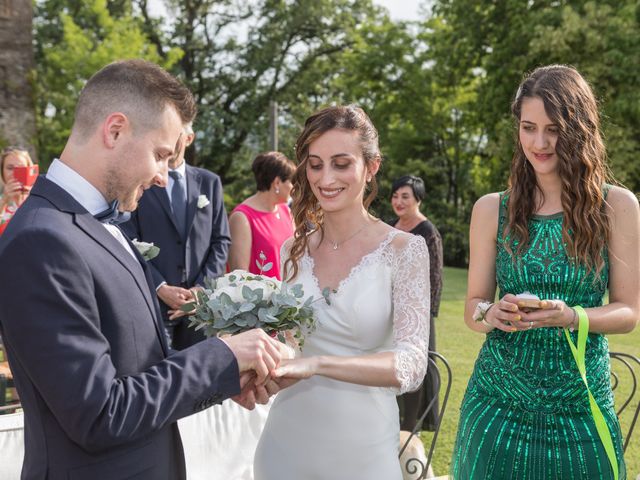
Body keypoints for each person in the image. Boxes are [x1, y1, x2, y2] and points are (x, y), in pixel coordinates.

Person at [0, 59, 285, 479]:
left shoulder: (104, 224)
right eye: (160, 154)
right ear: (114, 130)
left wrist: (226, 377)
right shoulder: (40, 240)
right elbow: (99, 413)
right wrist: (220, 355)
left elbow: (138, 364)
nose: (161, 175)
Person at [451, 65, 639, 480]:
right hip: (495, 407)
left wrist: (573, 316)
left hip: (581, 409)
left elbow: (628, 312)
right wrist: (492, 313)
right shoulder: (490, 209)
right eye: (528, 127)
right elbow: (472, 307)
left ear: (579, 129)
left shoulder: (617, 207)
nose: (539, 142)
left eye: (553, 129)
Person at [253, 105, 431, 479]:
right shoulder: (293, 249)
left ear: (372, 166)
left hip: (362, 449)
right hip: (286, 442)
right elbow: (291, 342)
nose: (326, 178)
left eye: (341, 163)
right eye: (315, 165)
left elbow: (412, 366)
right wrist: (266, 362)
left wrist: (318, 365)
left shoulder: (404, 250)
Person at [122, 122, 231, 349]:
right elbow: (127, 239)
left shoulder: (209, 182)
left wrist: (202, 289)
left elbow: (221, 241)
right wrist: (160, 287)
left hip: (201, 308)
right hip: (154, 304)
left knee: (202, 376)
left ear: (189, 138)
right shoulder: (142, 179)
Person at [390, 174, 443, 432]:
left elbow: (434, 276)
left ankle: (410, 427)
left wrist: (425, 315)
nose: (398, 201)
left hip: (416, 312)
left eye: (405, 196)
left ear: (418, 200)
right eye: (395, 196)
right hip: (387, 309)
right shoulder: (389, 226)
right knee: (389, 365)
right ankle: (391, 420)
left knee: (413, 367)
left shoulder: (427, 231)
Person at [228, 151, 295, 280]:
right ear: (277, 182)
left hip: (290, 296)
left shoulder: (286, 211)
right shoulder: (242, 217)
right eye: (291, 181)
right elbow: (239, 275)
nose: (293, 188)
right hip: (261, 299)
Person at [0, 147, 34, 235]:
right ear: (2, 171)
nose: (15, 173)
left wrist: (33, 199)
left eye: (21, 169)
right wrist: (3, 201)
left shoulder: (40, 199)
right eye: (10, 168)